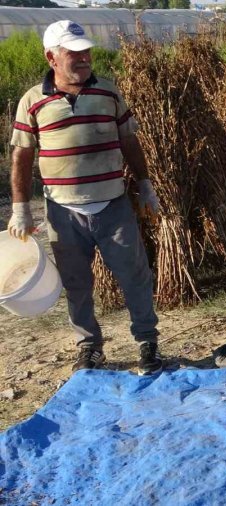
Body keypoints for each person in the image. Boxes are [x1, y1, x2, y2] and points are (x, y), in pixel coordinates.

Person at [7, 20, 165, 376]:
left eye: (86, 52)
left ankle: (147, 343)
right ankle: (89, 347)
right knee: (76, 284)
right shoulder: (32, 101)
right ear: (51, 57)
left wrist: (146, 184)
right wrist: (20, 209)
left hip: (113, 204)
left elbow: (129, 141)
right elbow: (21, 156)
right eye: (73, 53)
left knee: (134, 275)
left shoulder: (108, 93)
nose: (83, 58)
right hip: (63, 210)